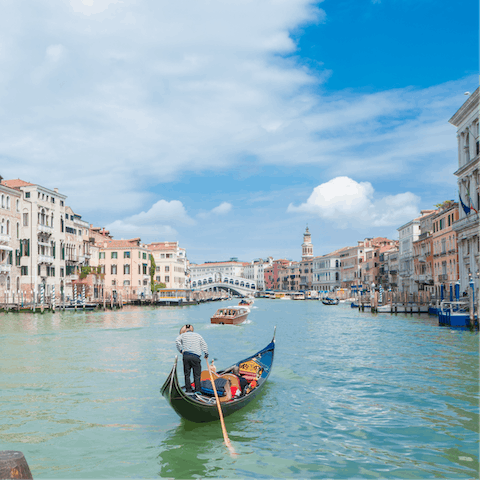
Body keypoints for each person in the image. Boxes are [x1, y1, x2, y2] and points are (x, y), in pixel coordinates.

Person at [175, 324, 209, 393]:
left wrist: (181, 350)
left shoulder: (182, 335)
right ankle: (197, 390)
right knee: (197, 375)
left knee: (187, 374)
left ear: (185, 330)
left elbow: (177, 341)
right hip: (196, 356)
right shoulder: (198, 335)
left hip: (186, 356)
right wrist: (206, 353)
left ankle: (188, 390)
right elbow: (204, 345)